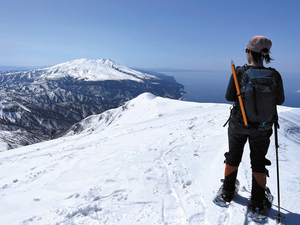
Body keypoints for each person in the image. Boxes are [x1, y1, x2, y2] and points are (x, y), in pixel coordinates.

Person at [220, 36, 285, 213]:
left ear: (249, 52)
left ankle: (227, 192)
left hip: (239, 125)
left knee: (233, 156)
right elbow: (280, 100)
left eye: (247, 51)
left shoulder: (239, 72)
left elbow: (228, 97)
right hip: (263, 128)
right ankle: (257, 201)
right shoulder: (274, 75)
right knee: (258, 162)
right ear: (265, 55)